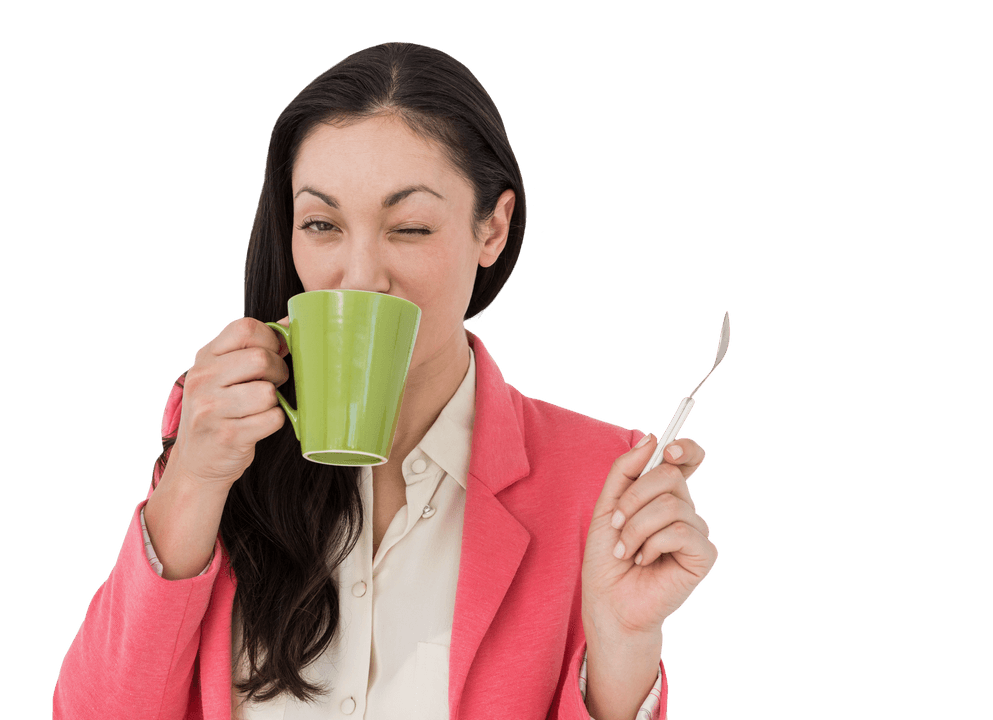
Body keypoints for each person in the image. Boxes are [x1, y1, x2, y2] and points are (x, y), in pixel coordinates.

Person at [52, 41, 715, 720]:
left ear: (493, 228)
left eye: (409, 226)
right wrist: (191, 481)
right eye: (321, 224)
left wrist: (625, 643)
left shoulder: (599, 482)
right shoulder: (219, 441)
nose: (360, 276)